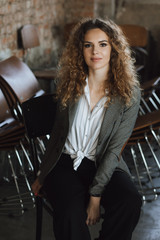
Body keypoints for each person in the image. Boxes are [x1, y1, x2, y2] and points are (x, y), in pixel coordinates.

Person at [32, 17, 142, 240]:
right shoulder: (67, 83)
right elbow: (57, 135)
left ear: (114, 48)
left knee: (130, 201)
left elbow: (114, 150)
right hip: (64, 163)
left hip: (104, 162)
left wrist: (95, 194)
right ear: (80, 49)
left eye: (103, 44)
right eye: (88, 45)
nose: (95, 51)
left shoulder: (129, 94)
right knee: (70, 214)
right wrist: (42, 174)